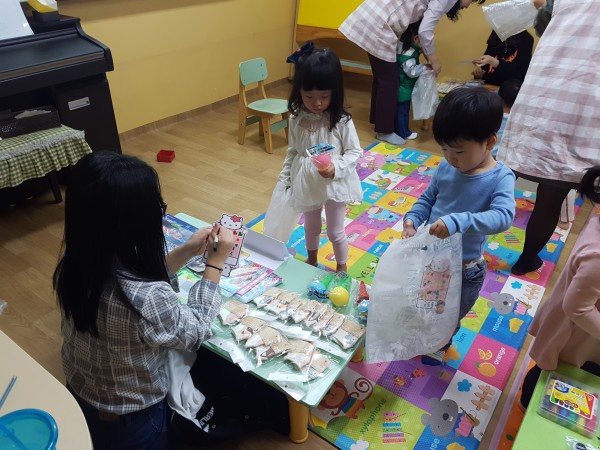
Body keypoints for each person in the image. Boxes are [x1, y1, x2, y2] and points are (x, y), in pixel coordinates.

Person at [54, 152, 288, 449]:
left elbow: (137, 281)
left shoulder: (76, 262)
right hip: (135, 422)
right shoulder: (147, 297)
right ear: (132, 224)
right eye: (157, 208)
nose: (160, 214)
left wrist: (187, 250)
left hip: (78, 398)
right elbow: (196, 330)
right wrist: (214, 264)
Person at [402, 87, 516, 364]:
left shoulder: (500, 177)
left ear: (490, 142)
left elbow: (503, 216)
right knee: (427, 304)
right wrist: (412, 218)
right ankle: (425, 333)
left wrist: (458, 221)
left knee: (451, 314)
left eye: (459, 151)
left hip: (465, 269)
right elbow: (428, 198)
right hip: (432, 259)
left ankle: (441, 343)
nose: (451, 158)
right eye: (444, 149)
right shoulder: (447, 167)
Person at [496, 0, 600, 276]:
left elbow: (542, 25)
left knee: (498, 177)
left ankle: (462, 242)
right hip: (587, 102)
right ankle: (526, 260)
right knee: (551, 196)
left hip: (545, 88)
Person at [339, 0, 483, 146]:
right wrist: (434, 59)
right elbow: (425, 31)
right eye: (471, 0)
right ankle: (384, 131)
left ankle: (378, 121)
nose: (467, 5)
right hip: (379, 24)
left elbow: (421, 29)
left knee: (382, 78)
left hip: (372, 17)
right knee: (389, 82)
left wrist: (429, 56)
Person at [520, 166, 600, 410]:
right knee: (551, 367)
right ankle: (526, 404)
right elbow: (577, 308)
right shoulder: (597, 257)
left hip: (583, 322)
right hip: (574, 329)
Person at [278, 46, 363, 273]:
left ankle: (342, 267)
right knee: (311, 226)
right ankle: (312, 260)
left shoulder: (341, 120)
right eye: (309, 96)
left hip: (334, 183)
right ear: (299, 92)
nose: (316, 103)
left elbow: (354, 152)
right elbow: (293, 151)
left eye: (324, 96)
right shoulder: (296, 118)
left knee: (335, 231)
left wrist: (336, 168)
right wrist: (286, 178)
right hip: (307, 182)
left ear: (335, 92)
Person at [395, 20, 429, 141]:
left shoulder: (403, 48)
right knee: (403, 112)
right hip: (404, 88)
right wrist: (425, 67)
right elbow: (411, 72)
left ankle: (399, 130)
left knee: (400, 111)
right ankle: (403, 133)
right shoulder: (409, 54)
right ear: (416, 39)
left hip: (401, 86)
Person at [491, 79, 522, 159]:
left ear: (499, 97)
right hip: (510, 160)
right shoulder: (522, 121)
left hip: (490, 157)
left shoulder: (490, 116)